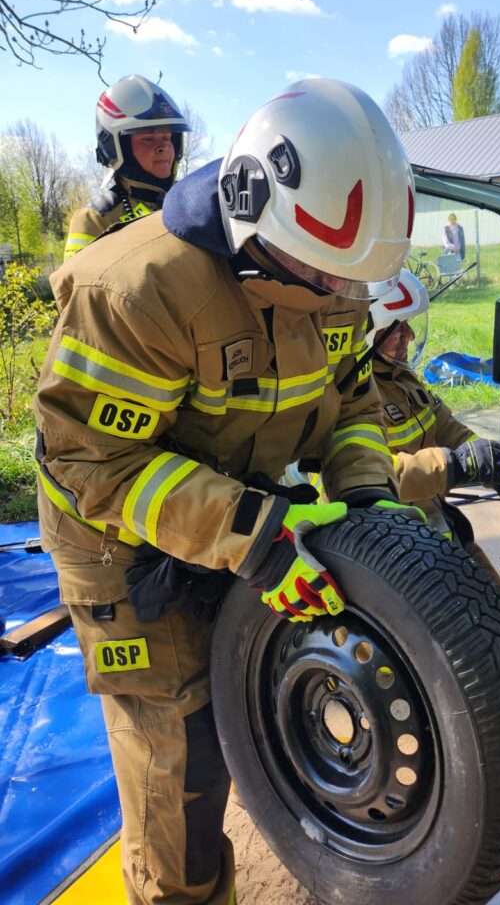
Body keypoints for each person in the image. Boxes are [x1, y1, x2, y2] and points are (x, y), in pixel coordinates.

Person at [34, 78, 416, 905]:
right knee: (184, 763)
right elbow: (88, 462)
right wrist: (257, 535)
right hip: (119, 546)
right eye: (324, 275)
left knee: (248, 704)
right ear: (256, 222)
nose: (340, 297)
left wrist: (369, 504)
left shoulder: (332, 276)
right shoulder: (136, 292)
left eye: (353, 279)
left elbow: (351, 402)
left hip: (240, 508)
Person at [365, 268, 500, 584]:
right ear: (367, 331)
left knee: (496, 598)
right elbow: (370, 477)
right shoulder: (351, 396)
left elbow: (451, 432)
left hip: (434, 528)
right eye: (396, 329)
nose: (410, 336)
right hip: (390, 551)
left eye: (408, 326)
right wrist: (456, 466)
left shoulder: (400, 379)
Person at [63, 74, 190, 258]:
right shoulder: (95, 220)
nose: (163, 147)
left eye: (167, 138)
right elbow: (74, 286)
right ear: (117, 147)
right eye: (148, 138)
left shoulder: (192, 202)